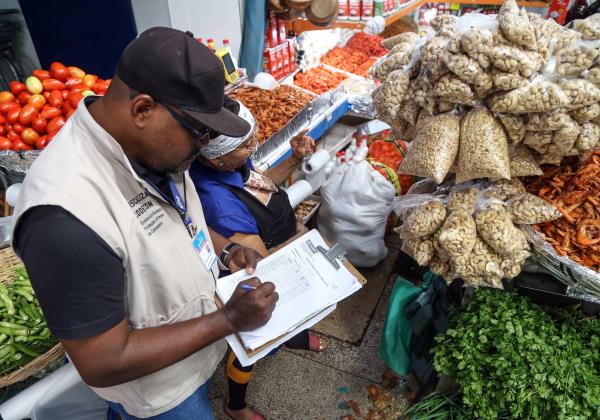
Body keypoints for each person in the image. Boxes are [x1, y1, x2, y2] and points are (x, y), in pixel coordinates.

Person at [12, 27, 278, 420]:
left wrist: (224, 250)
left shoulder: (153, 148)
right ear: (142, 110)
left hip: (190, 352)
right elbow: (103, 359)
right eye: (199, 132)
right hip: (160, 393)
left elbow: (179, 221)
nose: (204, 145)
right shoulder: (64, 214)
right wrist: (228, 319)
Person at [189, 99, 325, 420]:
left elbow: (261, 185)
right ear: (218, 157)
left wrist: (294, 157)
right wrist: (303, 251)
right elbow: (261, 266)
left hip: (278, 245)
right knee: (252, 341)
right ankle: (234, 405)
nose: (255, 146)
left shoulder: (234, 166)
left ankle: (293, 334)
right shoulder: (218, 202)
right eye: (246, 144)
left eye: (253, 138)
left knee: (289, 320)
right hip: (259, 270)